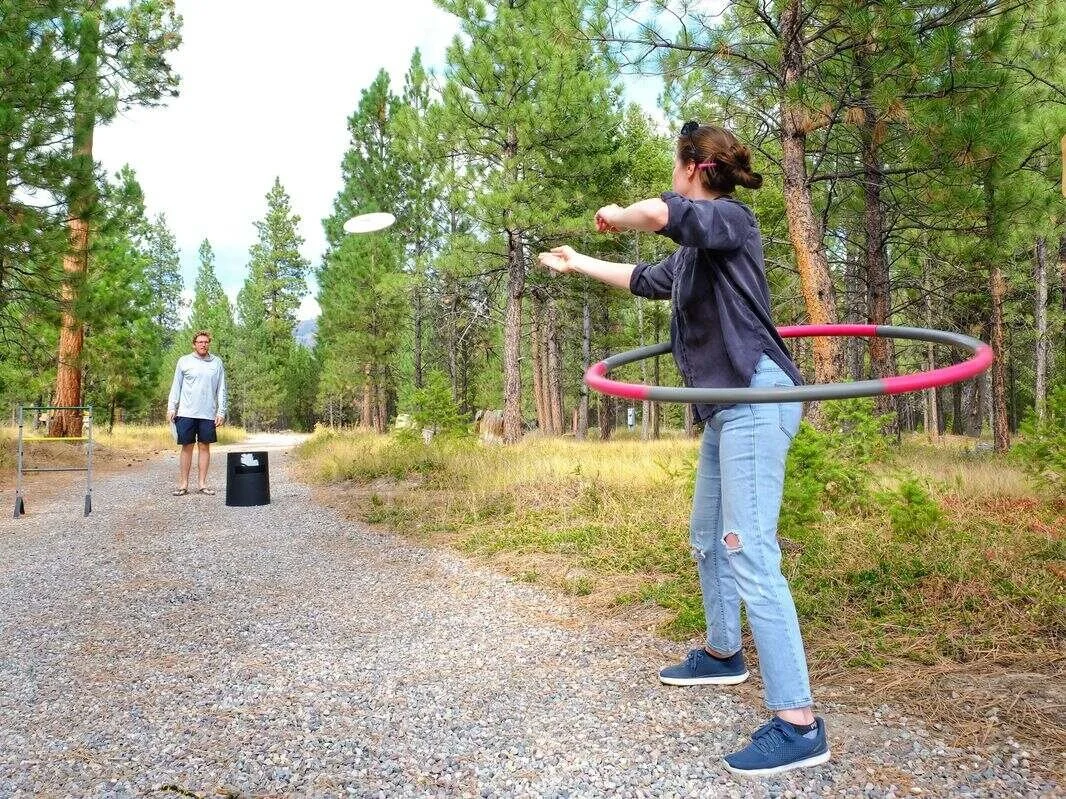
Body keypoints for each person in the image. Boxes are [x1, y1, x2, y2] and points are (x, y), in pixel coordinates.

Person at [538, 121, 829, 776]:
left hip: (757, 396)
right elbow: (647, 278)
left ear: (695, 166)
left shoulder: (729, 220)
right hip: (727, 410)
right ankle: (724, 653)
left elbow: (666, 216)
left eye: (676, 165)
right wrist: (577, 260)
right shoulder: (698, 253)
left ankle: (798, 722)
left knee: (750, 548)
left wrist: (617, 215)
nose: (672, 176)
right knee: (707, 536)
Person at [166, 330, 227, 496]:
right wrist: (172, 407)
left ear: (209, 344)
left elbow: (221, 388)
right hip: (186, 411)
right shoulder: (184, 361)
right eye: (200, 342)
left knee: (204, 447)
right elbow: (176, 386)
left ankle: (202, 484)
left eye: (206, 342)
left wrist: (221, 411)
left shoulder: (216, 363)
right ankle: (183, 484)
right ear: (194, 344)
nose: (203, 344)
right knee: (187, 447)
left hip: (208, 413)